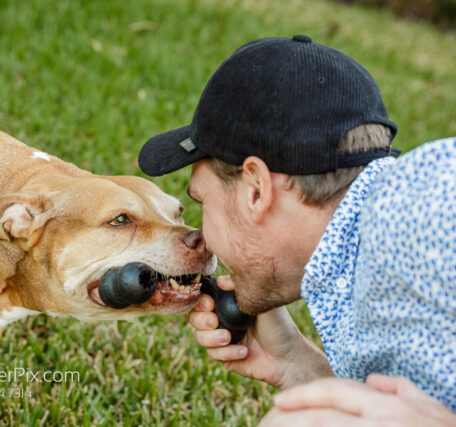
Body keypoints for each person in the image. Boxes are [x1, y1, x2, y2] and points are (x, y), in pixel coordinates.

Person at [138, 35, 456, 425]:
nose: (205, 239)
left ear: (256, 190)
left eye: (203, 203)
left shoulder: (429, 206)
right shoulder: (362, 267)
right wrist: (298, 365)